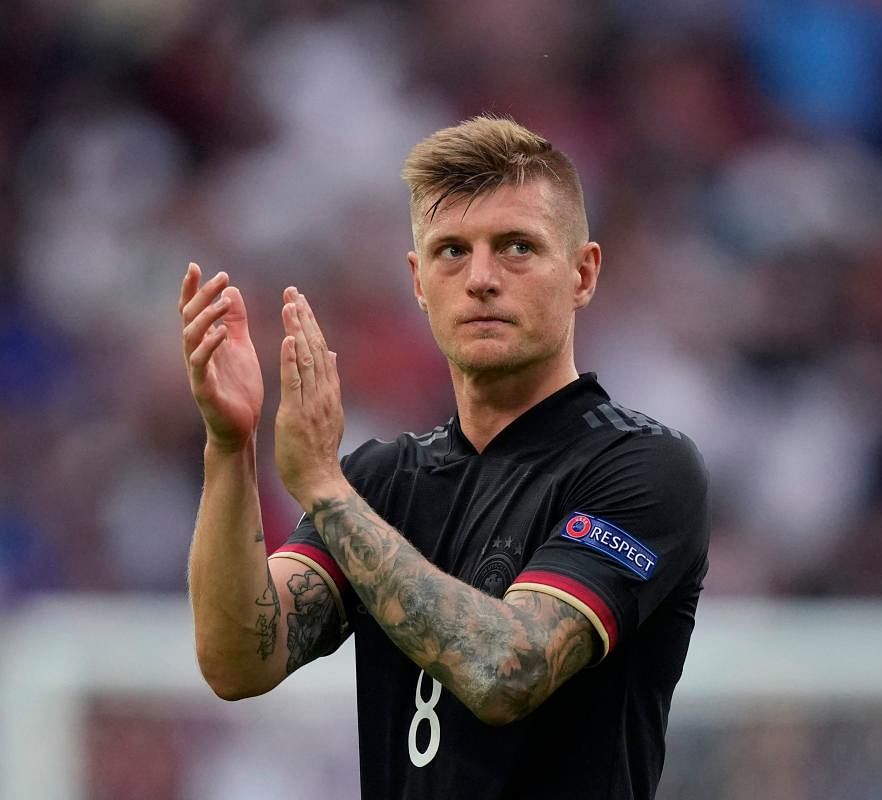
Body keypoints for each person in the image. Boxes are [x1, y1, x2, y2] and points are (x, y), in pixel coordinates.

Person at [179, 115, 710, 800]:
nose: (481, 277)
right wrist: (230, 447)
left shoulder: (642, 467)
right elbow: (239, 660)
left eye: (517, 247)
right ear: (419, 281)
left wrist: (324, 490)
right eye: (451, 251)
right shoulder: (382, 480)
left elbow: (506, 671)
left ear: (582, 273)